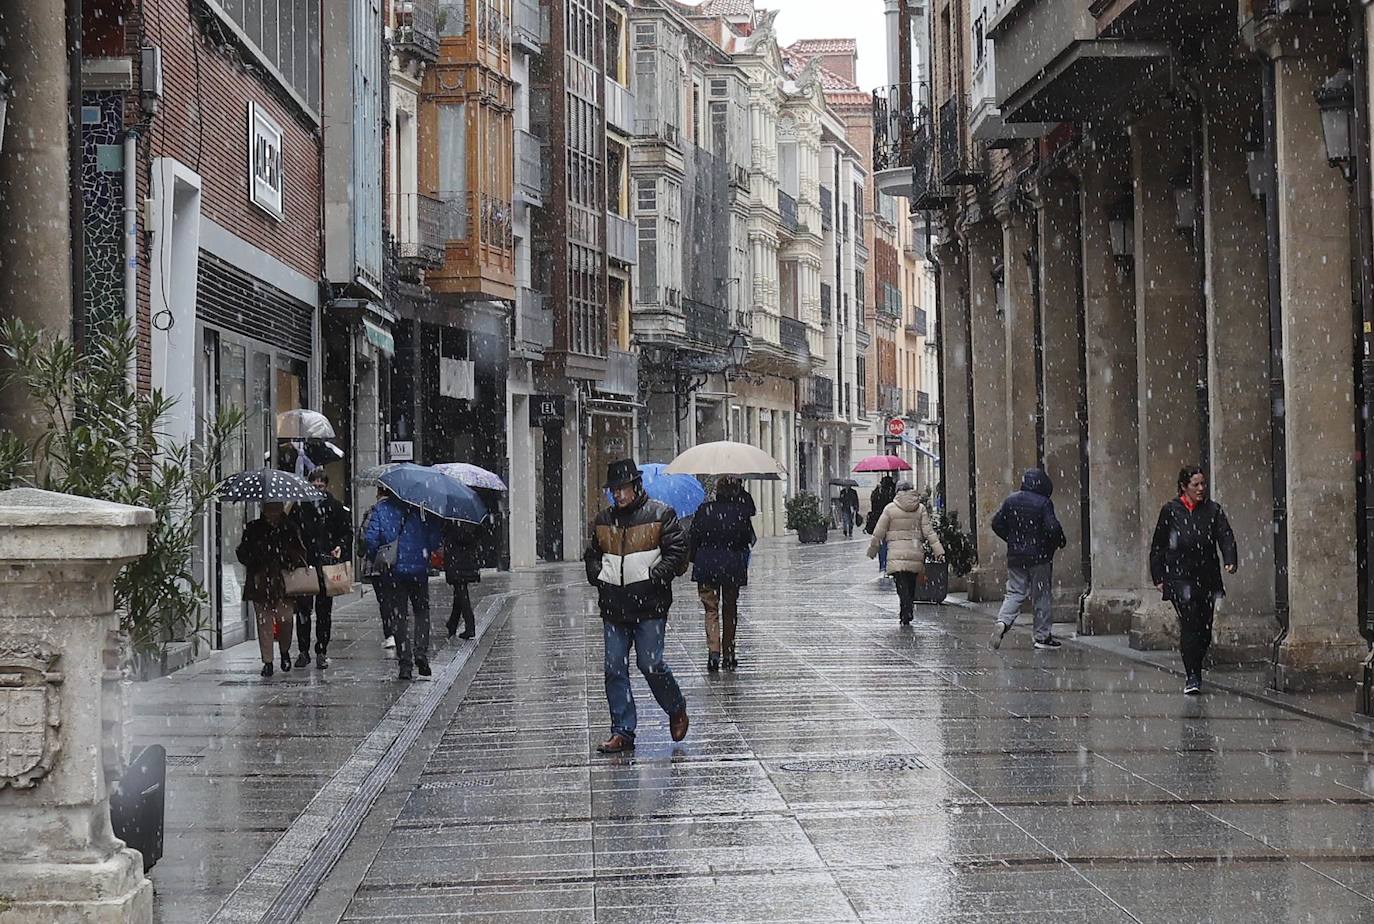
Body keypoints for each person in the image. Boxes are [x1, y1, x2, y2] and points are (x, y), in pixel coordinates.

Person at [584, 459, 690, 753]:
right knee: (614, 667)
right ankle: (622, 731)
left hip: (649, 605)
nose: (618, 495)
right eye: (614, 490)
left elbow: (678, 552)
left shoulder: (660, 514)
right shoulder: (604, 520)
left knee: (651, 663)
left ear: (635, 486)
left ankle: (676, 706)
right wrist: (598, 574)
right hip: (614, 606)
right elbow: (592, 553)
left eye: (622, 489)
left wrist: (653, 577)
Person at [1149, 466, 1238, 695]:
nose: (1201, 489)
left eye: (1203, 484)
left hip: (1206, 576)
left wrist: (1230, 558)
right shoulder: (1171, 510)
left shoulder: (1213, 510)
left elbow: (1225, 535)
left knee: (1205, 628)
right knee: (1189, 624)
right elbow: (1158, 544)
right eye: (1196, 484)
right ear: (1184, 487)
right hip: (1180, 576)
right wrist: (1158, 576)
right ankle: (1193, 675)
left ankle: (1196, 662)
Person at [364, 492, 443, 681]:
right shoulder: (422, 509)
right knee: (422, 611)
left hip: (393, 570)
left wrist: (380, 554)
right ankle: (421, 652)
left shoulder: (381, 510)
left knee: (399, 615)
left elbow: (370, 540)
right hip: (418, 569)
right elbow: (434, 540)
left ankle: (405, 663)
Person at [990, 468, 1068, 651]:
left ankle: (1003, 621)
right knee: (1041, 595)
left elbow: (996, 523)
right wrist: (1058, 541)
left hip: (1016, 557)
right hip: (1039, 557)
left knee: (1015, 592)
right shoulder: (1044, 503)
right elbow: (1052, 527)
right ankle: (1042, 636)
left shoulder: (1011, 500)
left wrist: (1011, 540)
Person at [689, 476, 756, 672]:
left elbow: (694, 537)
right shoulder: (740, 512)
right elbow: (746, 540)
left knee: (711, 610)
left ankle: (714, 652)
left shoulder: (704, 510)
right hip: (732, 566)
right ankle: (728, 652)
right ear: (735, 491)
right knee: (729, 609)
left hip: (707, 565)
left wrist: (694, 558)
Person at [237, 502, 310, 677]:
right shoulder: (254, 528)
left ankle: (284, 651)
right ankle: (268, 661)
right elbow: (243, 553)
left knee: (285, 621)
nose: (272, 513)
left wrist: (287, 559)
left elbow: (301, 553)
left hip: (283, 583)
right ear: (263, 510)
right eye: (269, 509)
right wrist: (256, 557)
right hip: (260, 583)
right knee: (265, 623)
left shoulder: (290, 528)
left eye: (276, 509)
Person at [289, 468, 352, 669]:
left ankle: (321, 650)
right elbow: (291, 532)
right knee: (303, 610)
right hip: (306, 565)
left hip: (325, 564)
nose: (317, 487)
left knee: (324, 611)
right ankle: (303, 650)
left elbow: (346, 532)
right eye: (314, 484)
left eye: (320, 484)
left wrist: (339, 546)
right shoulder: (299, 507)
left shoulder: (334, 507)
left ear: (326, 485)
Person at [867, 480, 945, 624]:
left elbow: (879, 532)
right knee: (910, 584)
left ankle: (906, 609)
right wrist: (938, 550)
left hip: (896, 555)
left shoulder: (890, 508)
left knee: (901, 585)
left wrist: (872, 550)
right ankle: (907, 608)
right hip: (915, 552)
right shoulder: (920, 508)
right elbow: (928, 531)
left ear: (897, 491)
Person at [360, 489, 399, 651]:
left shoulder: (373, 511)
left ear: (378, 494)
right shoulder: (400, 511)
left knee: (384, 601)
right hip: (397, 563)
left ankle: (389, 634)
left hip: (377, 565)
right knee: (396, 599)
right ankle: (398, 631)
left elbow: (366, 537)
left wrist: (372, 553)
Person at [442, 519, 483, 640]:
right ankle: (453, 623)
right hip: (464, 562)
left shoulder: (454, 523)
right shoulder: (470, 522)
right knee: (459, 592)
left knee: (461, 592)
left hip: (457, 563)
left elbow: (455, 538)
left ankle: (470, 625)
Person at [867, 475, 898, 572]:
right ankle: (889, 564)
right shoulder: (892, 493)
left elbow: (873, 505)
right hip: (891, 521)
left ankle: (883, 565)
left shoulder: (877, 493)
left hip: (879, 521)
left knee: (882, 543)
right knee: (889, 544)